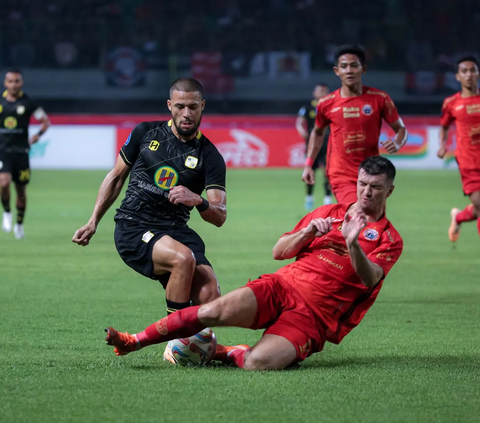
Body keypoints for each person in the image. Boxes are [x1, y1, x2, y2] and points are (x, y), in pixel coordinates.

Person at [105, 156, 403, 371]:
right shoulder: (329, 212)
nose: (366, 192)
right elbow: (279, 251)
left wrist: (352, 244)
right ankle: (134, 341)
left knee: (256, 364)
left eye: (375, 187)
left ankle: (226, 353)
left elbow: (370, 278)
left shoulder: (389, 238)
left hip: (315, 317)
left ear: (388, 191)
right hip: (281, 286)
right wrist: (307, 231)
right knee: (211, 311)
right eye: (362, 184)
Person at [72, 78, 227, 359]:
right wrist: (93, 220)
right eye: (180, 106)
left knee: (211, 299)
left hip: (175, 229)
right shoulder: (145, 133)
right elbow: (116, 177)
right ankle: (174, 343)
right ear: (170, 106)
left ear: (202, 106)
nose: (187, 113)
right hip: (134, 225)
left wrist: (199, 200)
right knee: (183, 259)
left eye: (193, 106)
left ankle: (202, 349)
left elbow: (219, 216)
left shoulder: (210, 157)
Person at [302, 44, 408, 204]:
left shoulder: (380, 99)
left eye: (354, 65)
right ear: (337, 71)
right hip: (341, 174)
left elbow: (401, 129)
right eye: (344, 66)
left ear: (363, 69)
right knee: (358, 214)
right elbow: (317, 132)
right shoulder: (326, 103)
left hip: (372, 173)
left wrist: (397, 142)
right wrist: (309, 164)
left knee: (373, 224)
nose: (349, 71)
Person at [0, 69, 50, 239]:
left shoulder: (28, 103)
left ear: (21, 83)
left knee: (20, 189)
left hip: (21, 153)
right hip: (2, 151)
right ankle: (7, 212)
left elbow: (45, 121)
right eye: (10, 81)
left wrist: (38, 135)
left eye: (17, 81)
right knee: (4, 183)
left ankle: (19, 223)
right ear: (5, 83)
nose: (14, 84)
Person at [438, 55, 480, 241]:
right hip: (468, 161)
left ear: (478, 74)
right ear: (457, 76)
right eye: (464, 71)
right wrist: (442, 145)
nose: (469, 74)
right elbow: (444, 126)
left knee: (478, 208)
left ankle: (458, 217)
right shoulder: (451, 103)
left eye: (472, 70)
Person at [296, 83, 332, 209]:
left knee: (328, 172)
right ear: (314, 93)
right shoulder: (307, 106)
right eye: (320, 91)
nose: (322, 94)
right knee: (310, 170)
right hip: (312, 144)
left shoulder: (332, 107)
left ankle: (327, 198)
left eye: (324, 91)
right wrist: (302, 132)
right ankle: (309, 198)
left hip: (328, 144)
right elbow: (299, 122)